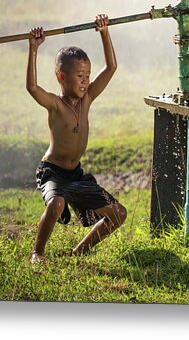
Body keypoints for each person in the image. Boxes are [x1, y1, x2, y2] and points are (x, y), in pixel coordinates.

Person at [27, 14, 127, 264]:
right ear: (61, 76)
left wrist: (104, 32)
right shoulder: (55, 104)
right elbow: (32, 88)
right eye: (80, 75)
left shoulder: (87, 100)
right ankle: (37, 253)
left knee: (118, 213)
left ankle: (79, 251)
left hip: (76, 175)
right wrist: (33, 49)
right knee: (57, 203)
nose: (86, 81)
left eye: (88, 75)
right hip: (52, 173)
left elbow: (112, 68)